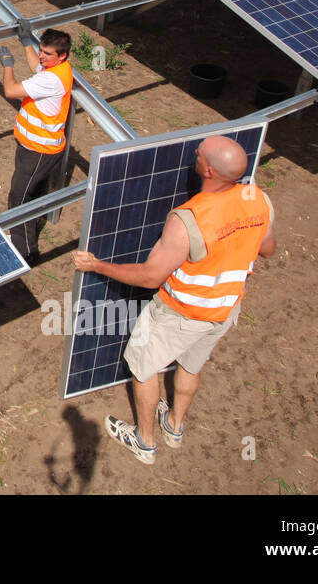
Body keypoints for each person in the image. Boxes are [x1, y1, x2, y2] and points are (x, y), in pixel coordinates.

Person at [71, 135, 277, 465]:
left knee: (144, 368)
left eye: (199, 154)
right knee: (191, 365)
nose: (193, 154)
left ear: (208, 171)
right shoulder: (259, 199)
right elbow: (267, 249)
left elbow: (151, 276)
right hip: (224, 310)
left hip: (180, 312)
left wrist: (97, 265)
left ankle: (145, 441)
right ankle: (175, 426)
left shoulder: (188, 219)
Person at [0, 28, 73, 264]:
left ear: (62, 56)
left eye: (47, 54)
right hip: (33, 145)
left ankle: (26, 251)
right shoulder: (56, 69)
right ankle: (31, 229)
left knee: (19, 197)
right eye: (41, 50)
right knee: (32, 191)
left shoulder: (51, 79)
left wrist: (7, 65)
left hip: (39, 150)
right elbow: (35, 67)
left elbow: (10, 91)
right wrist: (26, 44)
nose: (42, 57)